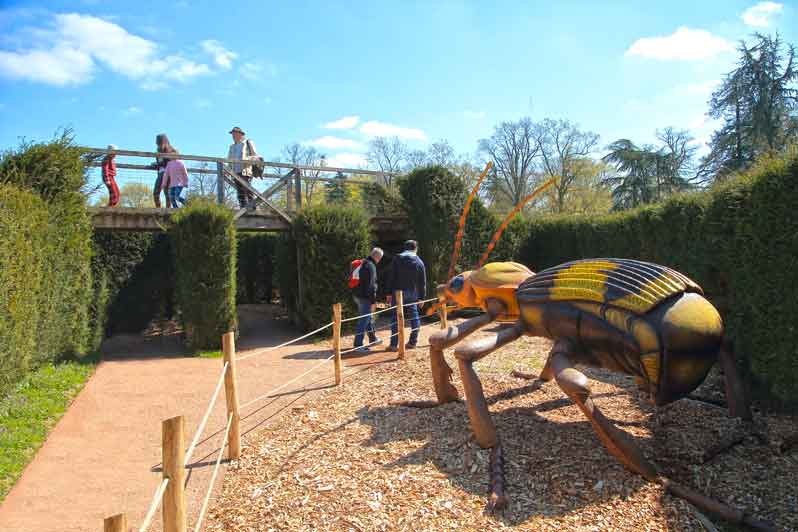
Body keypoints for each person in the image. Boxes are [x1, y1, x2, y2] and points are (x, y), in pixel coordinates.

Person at [387, 240, 426, 351]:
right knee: (414, 317)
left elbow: (391, 277)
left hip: (398, 293)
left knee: (395, 318)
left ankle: (393, 345)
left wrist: (389, 293)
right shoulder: (419, 262)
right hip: (413, 294)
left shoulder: (397, 259)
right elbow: (422, 282)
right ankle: (413, 342)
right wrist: (422, 297)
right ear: (415, 248)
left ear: (405, 248)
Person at [352, 247, 385, 353]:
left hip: (357, 295)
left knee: (368, 318)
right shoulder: (371, 266)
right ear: (378, 257)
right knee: (363, 321)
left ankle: (373, 339)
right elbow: (371, 286)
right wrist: (373, 301)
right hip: (365, 298)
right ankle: (358, 345)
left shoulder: (363, 262)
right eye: (380, 258)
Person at [226, 126, 259, 209]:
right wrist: (227, 170)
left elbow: (255, 156)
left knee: (247, 190)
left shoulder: (247, 143)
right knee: (240, 191)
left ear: (240, 134)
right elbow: (229, 160)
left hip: (245, 170)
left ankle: (253, 209)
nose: (233, 136)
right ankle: (243, 209)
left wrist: (245, 160)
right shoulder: (232, 147)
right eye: (232, 134)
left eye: (235, 134)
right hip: (235, 171)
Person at [150, 134, 177, 208]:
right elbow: (160, 163)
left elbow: (170, 161)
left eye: (159, 143)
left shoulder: (171, 150)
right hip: (161, 173)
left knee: (167, 192)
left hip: (168, 173)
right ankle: (158, 208)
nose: (158, 145)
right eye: (157, 144)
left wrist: (159, 164)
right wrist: (156, 164)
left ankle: (168, 209)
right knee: (156, 192)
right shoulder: (158, 152)